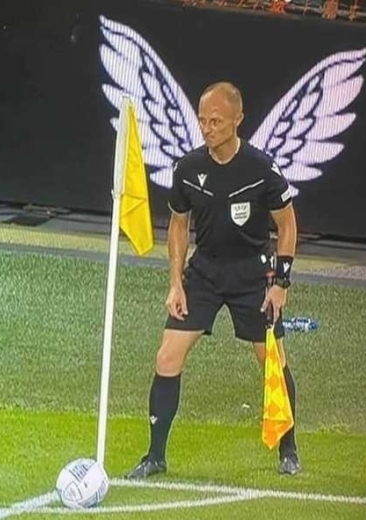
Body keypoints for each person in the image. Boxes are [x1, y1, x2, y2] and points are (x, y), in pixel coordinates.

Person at [126, 82, 300, 479]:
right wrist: (175, 282)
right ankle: (155, 456)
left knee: (272, 361)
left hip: (252, 274)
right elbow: (178, 224)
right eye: (203, 120)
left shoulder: (261, 169)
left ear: (238, 120)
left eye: (216, 121)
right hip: (204, 272)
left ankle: (288, 448)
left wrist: (280, 284)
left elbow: (287, 225)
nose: (207, 128)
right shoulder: (188, 169)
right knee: (167, 356)